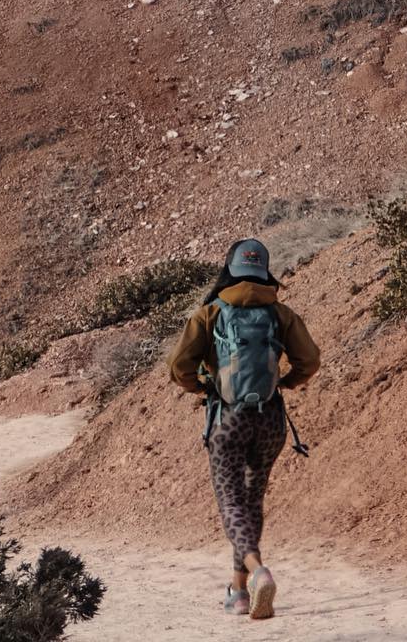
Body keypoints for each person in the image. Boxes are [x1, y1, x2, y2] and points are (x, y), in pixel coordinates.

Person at [166, 238, 320, 619]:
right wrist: (286, 382)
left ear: (230, 271)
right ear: (263, 272)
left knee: (231, 503)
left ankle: (258, 572)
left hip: (228, 420)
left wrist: (202, 387)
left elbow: (179, 367)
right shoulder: (280, 314)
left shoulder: (210, 313)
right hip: (270, 420)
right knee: (252, 500)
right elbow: (310, 360)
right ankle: (238, 592)